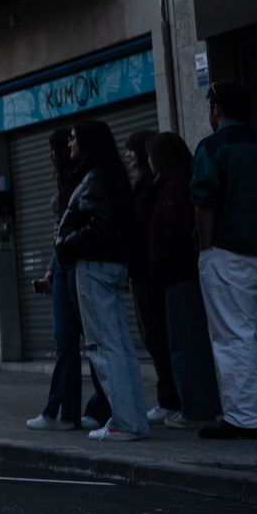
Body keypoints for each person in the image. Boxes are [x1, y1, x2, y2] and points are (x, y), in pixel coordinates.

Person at [57, 118, 149, 440]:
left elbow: (98, 227)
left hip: (94, 268)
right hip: (112, 266)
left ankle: (124, 422)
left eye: (73, 139)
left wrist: (65, 242)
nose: (69, 144)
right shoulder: (113, 177)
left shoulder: (95, 178)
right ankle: (134, 418)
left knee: (104, 346)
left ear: (87, 142)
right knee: (120, 345)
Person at [29, 126, 110, 432]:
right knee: (65, 341)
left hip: (78, 265)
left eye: (54, 149)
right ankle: (63, 411)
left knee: (92, 341)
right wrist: (52, 266)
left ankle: (97, 406)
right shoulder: (66, 182)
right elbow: (59, 234)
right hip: (63, 266)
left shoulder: (84, 179)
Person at [192, 80, 257, 440]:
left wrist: (206, 249)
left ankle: (244, 417)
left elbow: (205, 202)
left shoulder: (214, 146)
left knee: (234, 335)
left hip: (229, 252)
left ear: (216, 109)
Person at [147, 131, 221, 428]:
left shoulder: (175, 188)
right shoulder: (176, 184)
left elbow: (174, 234)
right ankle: (197, 405)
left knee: (186, 344)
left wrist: (158, 262)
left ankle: (198, 409)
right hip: (180, 274)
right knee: (186, 343)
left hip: (179, 275)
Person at [124, 130, 181, 423]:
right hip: (148, 270)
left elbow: (142, 229)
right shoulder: (152, 184)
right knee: (157, 334)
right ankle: (172, 396)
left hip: (148, 271)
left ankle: (170, 398)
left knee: (155, 333)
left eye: (132, 149)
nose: (129, 155)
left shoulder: (151, 187)